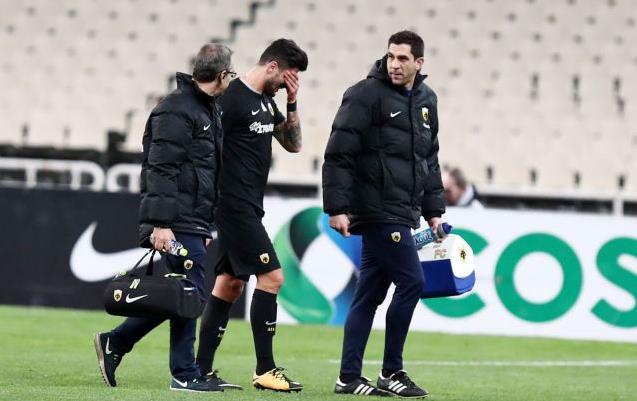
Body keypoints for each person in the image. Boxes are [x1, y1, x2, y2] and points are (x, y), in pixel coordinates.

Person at [93, 43, 235, 393]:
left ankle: (117, 342)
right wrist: (161, 224)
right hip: (174, 220)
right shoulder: (176, 109)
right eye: (230, 74)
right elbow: (160, 169)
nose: (231, 79)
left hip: (191, 219)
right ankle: (184, 373)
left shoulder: (206, 109)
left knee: (183, 294)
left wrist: (205, 225)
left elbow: (205, 172)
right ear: (221, 75)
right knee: (189, 292)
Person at [322, 30, 445, 398]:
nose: (395, 64)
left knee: (369, 295)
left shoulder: (427, 100)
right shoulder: (365, 94)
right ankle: (391, 371)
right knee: (413, 282)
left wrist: (434, 211)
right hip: (376, 209)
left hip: (403, 210)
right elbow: (338, 152)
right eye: (391, 56)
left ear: (419, 62)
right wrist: (337, 207)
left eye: (403, 58)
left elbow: (429, 159)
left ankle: (348, 378)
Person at [195, 39, 308, 392]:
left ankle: (200, 369)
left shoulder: (267, 102)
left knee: (229, 285)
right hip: (233, 205)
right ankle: (265, 369)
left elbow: (294, 145)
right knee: (272, 277)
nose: (287, 85)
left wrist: (292, 101)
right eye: (287, 79)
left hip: (248, 206)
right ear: (272, 67)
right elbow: (205, 146)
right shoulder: (232, 99)